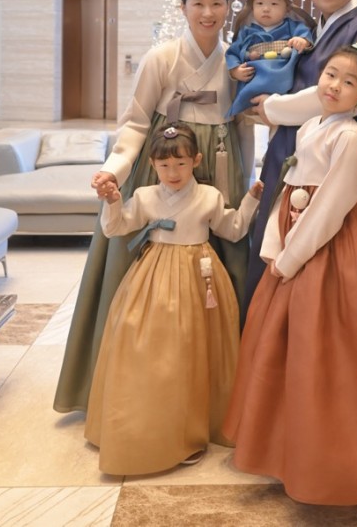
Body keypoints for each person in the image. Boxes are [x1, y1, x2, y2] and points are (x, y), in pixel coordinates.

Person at [224, 45, 357, 506]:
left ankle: (344, 458)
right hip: (299, 241)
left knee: (335, 346)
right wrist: (275, 245)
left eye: (348, 82)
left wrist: (291, 257)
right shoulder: (311, 125)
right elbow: (290, 193)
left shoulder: (350, 139)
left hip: (338, 248)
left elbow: (330, 207)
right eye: (330, 74)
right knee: (290, 344)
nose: (334, 86)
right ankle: (288, 446)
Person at [54, 0, 250, 414]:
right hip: (162, 167)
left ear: (229, 7)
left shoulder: (235, 61)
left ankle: (217, 391)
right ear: (183, 7)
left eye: (216, 3)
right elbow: (136, 123)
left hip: (221, 166)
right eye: (198, 3)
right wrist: (113, 170)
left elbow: (243, 126)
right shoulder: (161, 58)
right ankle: (130, 387)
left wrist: (245, 178)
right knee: (137, 267)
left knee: (225, 264)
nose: (207, 12)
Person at [84, 124, 263, 475]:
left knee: (194, 347)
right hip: (153, 275)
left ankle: (192, 426)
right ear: (152, 164)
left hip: (201, 276)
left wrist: (252, 198)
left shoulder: (209, 196)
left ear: (196, 160)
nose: (173, 172)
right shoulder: (145, 196)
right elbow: (116, 228)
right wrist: (113, 201)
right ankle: (147, 421)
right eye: (164, 165)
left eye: (181, 164)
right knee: (151, 346)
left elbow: (233, 229)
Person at [242, 0, 357, 319]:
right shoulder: (308, 34)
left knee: (331, 277)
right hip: (289, 160)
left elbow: (332, 96)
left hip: (336, 168)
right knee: (273, 256)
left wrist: (272, 108)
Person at [225, 0, 315, 118]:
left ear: (287, 9)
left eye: (274, 4)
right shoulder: (247, 31)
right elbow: (233, 52)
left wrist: (302, 41)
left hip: (284, 76)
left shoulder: (292, 26)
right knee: (248, 105)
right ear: (252, 7)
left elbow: (306, 36)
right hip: (254, 77)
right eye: (260, 3)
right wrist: (235, 71)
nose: (266, 9)